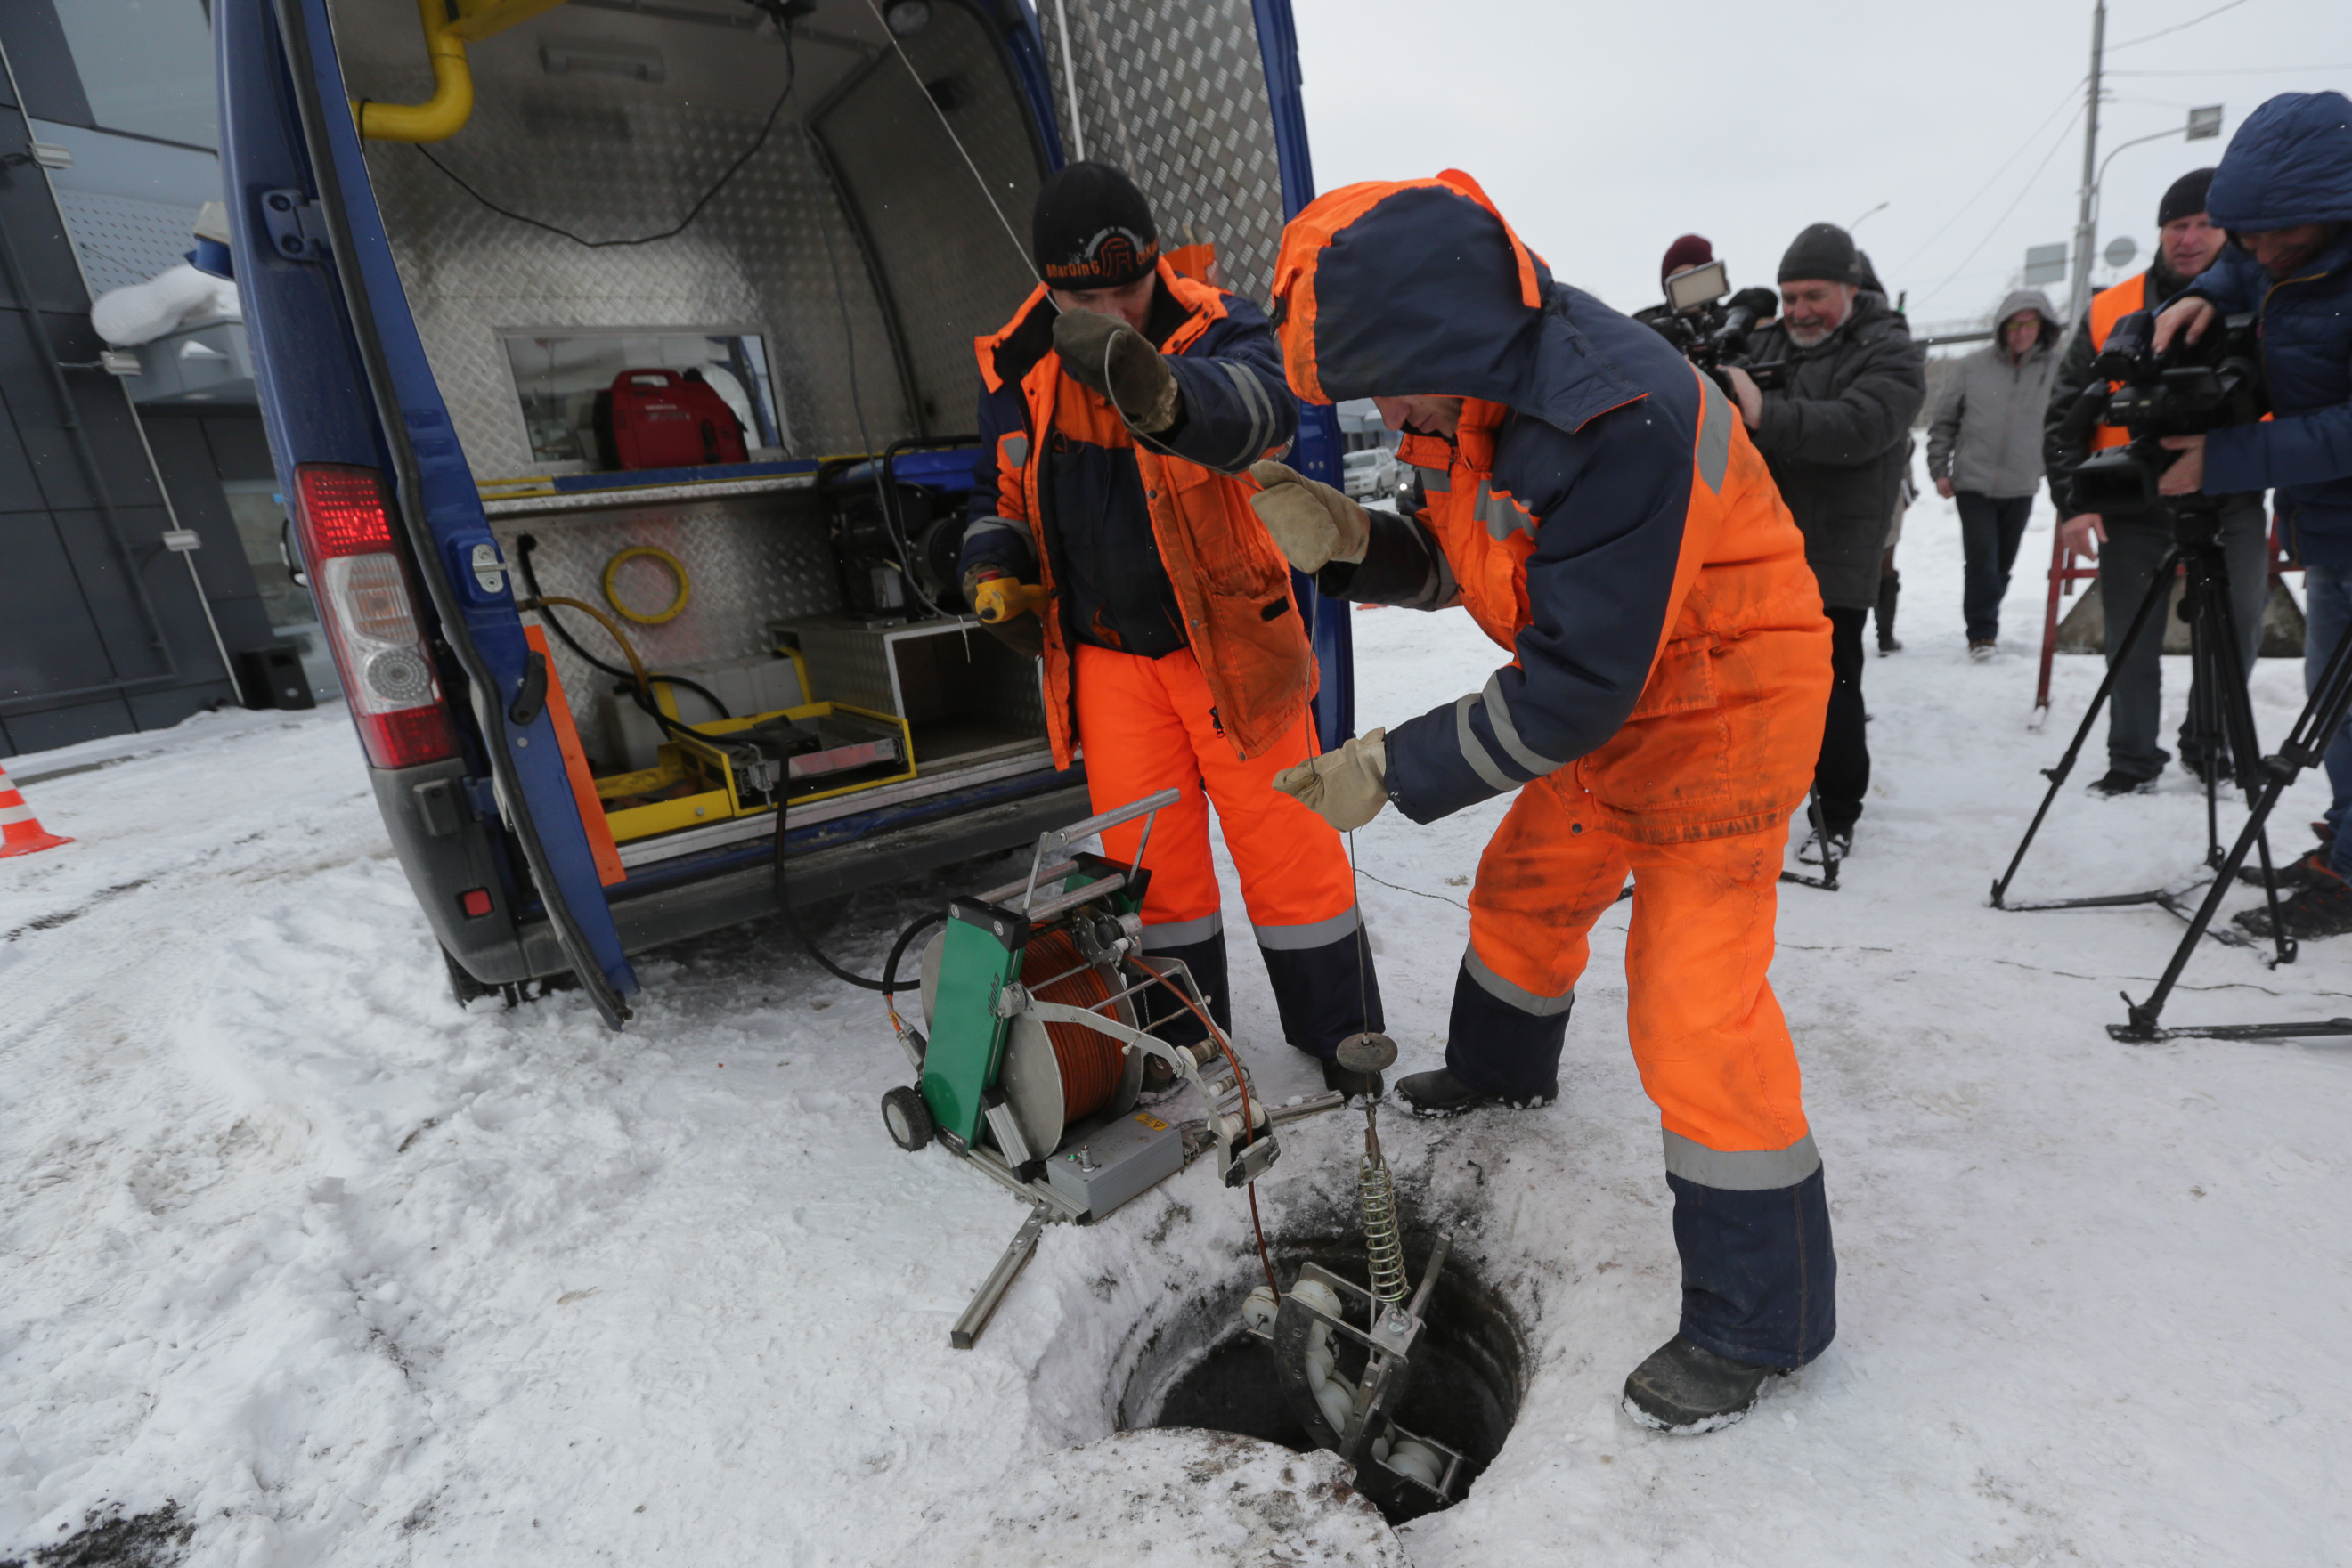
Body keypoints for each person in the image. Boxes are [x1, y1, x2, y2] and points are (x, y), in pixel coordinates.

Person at [1249, 172, 1835, 1434]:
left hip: (1724, 705)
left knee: (1690, 1006)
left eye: (1386, 390)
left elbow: (1568, 690)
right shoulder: (1478, 390)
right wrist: (1356, 541)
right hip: (1617, 678)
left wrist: (1390, 768)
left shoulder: (1611, 414)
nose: (1387, 413)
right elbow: (1480, 564)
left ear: (1441, 344)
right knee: (1527, 888)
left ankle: (1762, 1321)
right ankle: (1502, 1072)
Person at [957, 162, 1386, 1093]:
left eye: (1130, 287)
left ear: (1155, 265)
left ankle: (1343, 1037)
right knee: (1152, 878)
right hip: (1108, 663)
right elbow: (1006, 494)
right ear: (1051, 286)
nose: (1116, 309)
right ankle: (1181, 1043)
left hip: (1233, 644)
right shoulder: (1019, 356)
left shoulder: (1224, 327)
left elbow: (1260, 416)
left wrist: (1163, 394)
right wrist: (993, 562)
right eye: (1091, 298)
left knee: (1294, 855)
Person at [2148, 93, 2352, 938]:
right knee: (2330, 701)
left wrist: (2225, 459)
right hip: (2331, 529)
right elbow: (2250, 262)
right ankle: (2344, 846)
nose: (2254, 250)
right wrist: (2203, 293)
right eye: (2244, 232)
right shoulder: (2270, 253)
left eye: (2271, 234)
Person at [2042, 166, 2269, 798]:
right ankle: (2130, 756)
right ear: (2160, 232)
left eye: (2203, 224)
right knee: (2128, 636)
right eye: (2176, 224)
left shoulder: (2264, 301)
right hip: (2129, 498)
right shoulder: (2111, 308)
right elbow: (2064, 416)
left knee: (2237, 628)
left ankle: (2210, 743)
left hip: (2233, 494)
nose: (2189, 237)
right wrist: (2072, 501)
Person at [1721, 224, 1925, 858]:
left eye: (1813, 295)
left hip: (1835, 550)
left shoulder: (1890, 349)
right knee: (1752, 682)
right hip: (1762, 543)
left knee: (1831, 687)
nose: (1798, 311)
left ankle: (1836, 810)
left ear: (1850, 286)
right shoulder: (1772, 339)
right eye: (1787, 299)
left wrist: (1764, 412)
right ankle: (1759, 791)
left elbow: (1859, 427)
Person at [1928, 289, 2065, 658]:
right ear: (2002, 327)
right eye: (2014, 324)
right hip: (1973, 481)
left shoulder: (2058, 368)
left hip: (2021, 483)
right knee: (1982, 560)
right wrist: (1940, 468)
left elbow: (2066, 424)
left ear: (2043, 328)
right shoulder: (1972, 367)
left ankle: (1986, 613)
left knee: (2002, 564)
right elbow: (1944, 422)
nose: (2022, 332)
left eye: (2030, 324)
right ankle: (1982, 633)